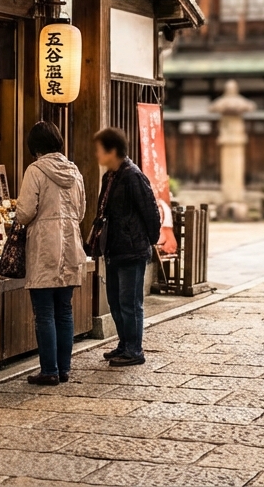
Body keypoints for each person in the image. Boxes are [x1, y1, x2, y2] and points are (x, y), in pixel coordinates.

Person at [13, 121, 86, 386]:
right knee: (64, 310)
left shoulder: (35, 170)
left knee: (44, 312)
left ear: (35, 147)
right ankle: (64, 369)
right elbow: (81, 211)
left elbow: (24, 212)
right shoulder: (74, 170)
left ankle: (49, 370)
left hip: (45, 246)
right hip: (71, 244)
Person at [92, 127, 160, 367]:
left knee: (130, 302)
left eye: (100, 150)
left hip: (132, 249)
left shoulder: (132, 175)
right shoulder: (110, 176)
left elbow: (150, 210)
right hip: (114, 248)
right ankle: (124, 343)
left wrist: (148, 241)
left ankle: (134, 349)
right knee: (115, 300)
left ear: (112, 151)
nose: (97, 155)